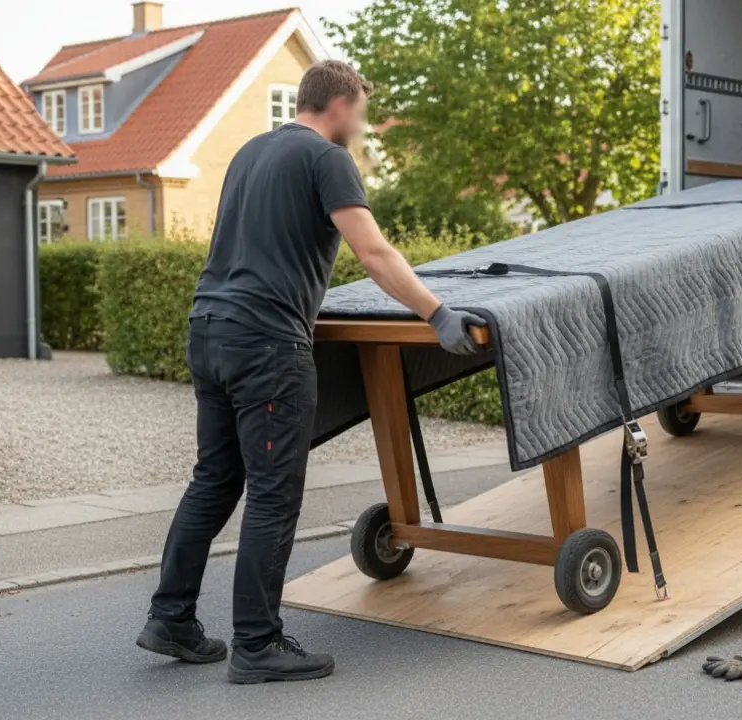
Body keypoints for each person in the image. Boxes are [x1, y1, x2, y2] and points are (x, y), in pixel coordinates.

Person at [135, 60, 484, 684]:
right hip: (267, 345)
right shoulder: (327, 158)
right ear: (340, 105)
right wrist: (437, 314)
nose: (362, 127)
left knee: (214, 480)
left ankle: (171, 619)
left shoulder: (250, 153)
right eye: (361, 115)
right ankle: (257, 644)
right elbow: (373, 251)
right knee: (273, 493)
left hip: (209, 329)